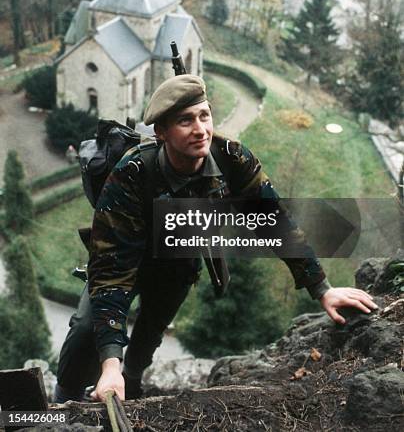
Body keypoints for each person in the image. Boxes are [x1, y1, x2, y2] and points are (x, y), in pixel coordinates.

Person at [54, 75, 378, 403]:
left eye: (204, 116)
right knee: (85, 330)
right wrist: (109, 363)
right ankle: (59, 402)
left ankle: (132, 387)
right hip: (127, 256)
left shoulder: (232, 159)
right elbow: (112, 271)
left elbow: (275, 223)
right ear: (161, 132)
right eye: (185, 120)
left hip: (178, 263)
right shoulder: (131, 173)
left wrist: (322, 289)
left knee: (148, 338)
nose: (200, 129)